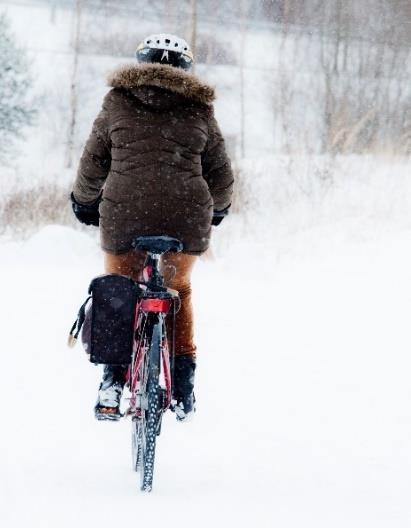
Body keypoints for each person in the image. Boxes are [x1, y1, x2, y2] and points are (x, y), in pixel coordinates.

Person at [70, 33, 234, 421]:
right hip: (186, 217)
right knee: (179, 291)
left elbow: (94, 162)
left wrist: (84, 202)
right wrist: (218, 210)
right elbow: (221, 175)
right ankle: (183, 386)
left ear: (141, 63)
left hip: (125, 216)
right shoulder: (199, 108)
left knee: (118, 290)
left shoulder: (118, 101)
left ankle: (111, 380)